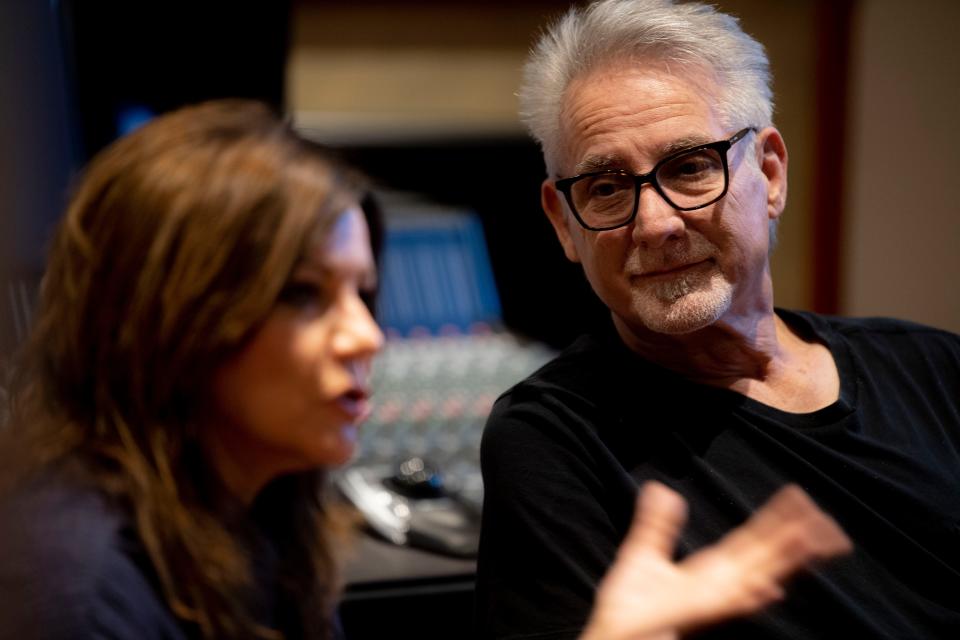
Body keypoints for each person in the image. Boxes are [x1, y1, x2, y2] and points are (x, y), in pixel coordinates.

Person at [0, 98, 848, 640]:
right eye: (303, 298)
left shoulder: (262, 525)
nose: (365, 337)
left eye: (363, 294)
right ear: (165, 314)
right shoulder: (74, 593)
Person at [475, 0, 960, 639]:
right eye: (606, 188)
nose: (654, 223)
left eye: (689, 167)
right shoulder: (555, 439)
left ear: (770, 173)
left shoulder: (936, 369)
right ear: (564, 222)